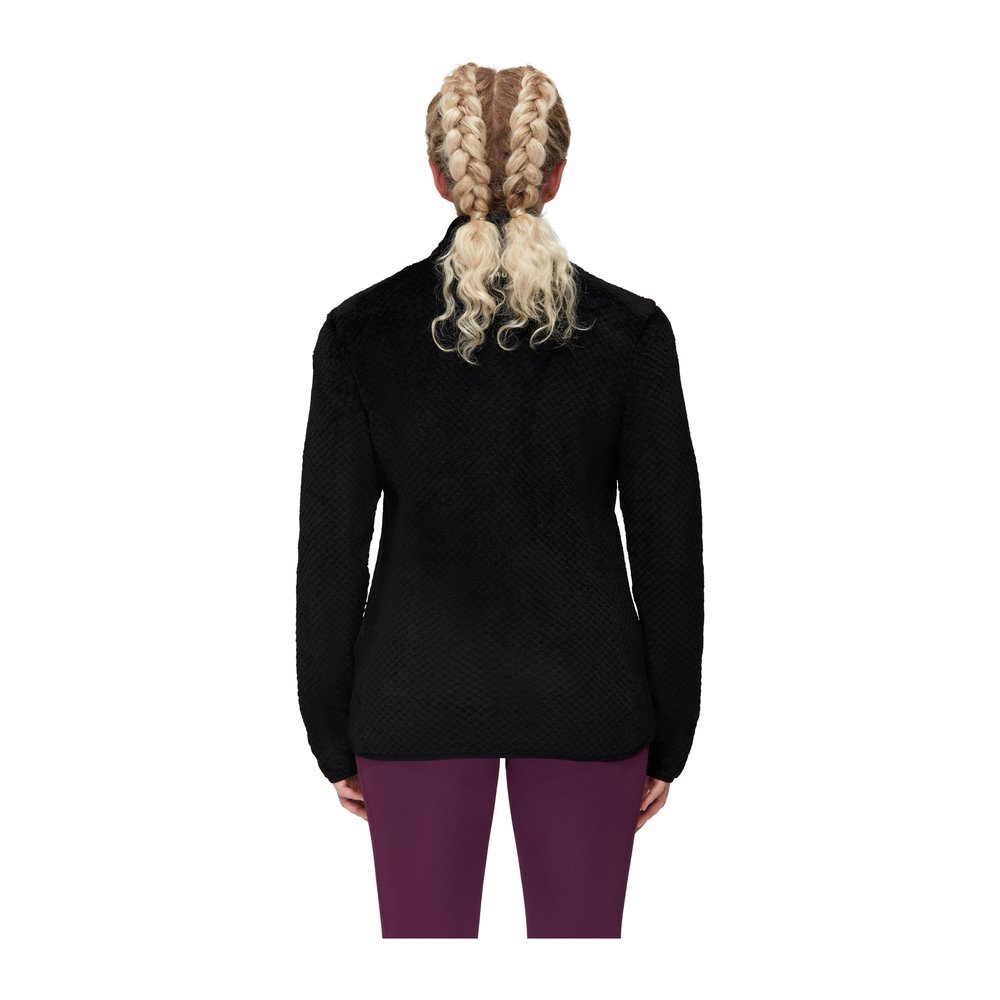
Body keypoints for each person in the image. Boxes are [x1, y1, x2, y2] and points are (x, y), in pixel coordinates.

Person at [295, 61, 705, 939]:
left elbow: (330, 553)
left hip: (412, 700)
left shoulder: (360, 333)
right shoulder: (630, 334)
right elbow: (670, 554)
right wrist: (672, 732)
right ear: (556, 175)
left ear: (437, 175)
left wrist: (331, 731)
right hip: (590, 700)